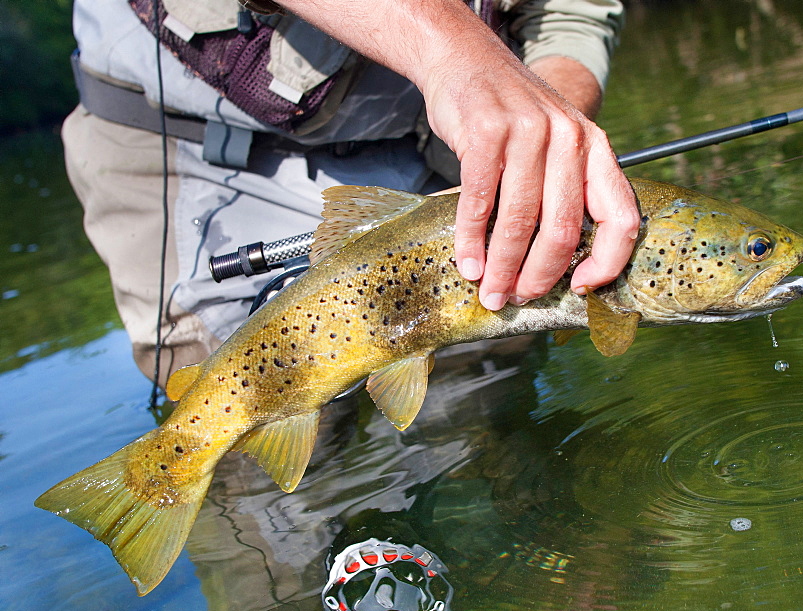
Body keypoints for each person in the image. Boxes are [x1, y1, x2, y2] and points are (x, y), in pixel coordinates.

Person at [62, 0, 641, 387]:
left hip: (443, 154)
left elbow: (571, 12)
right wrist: (451, 51)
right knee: (253, 451)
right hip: (199, 149)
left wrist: (542, 128)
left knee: (481, 410)